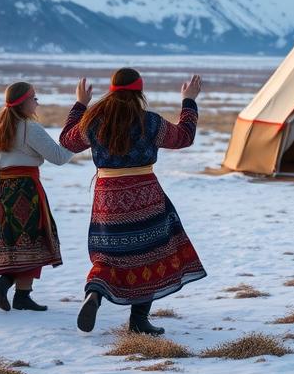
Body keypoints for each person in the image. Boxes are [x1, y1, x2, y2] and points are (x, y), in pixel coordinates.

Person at [59, 68, 207, 334]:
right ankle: (139, 321)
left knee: (108, 252)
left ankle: (94, 291)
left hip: (107, 196)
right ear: (139, 92)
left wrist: (80, 105)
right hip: (145, 193)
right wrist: (189, 101)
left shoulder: (94, 120)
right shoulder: (149, 122)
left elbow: (67, 142)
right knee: (149, 253)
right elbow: (184, 137)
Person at [0, 82, 74, 312]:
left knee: (14, 243)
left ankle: (21, 296)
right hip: (27, 191)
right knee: (33, 241)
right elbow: (58, 157)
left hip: (4, 190)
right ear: (24, 101)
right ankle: (6, 285)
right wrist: (74, 144)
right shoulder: (31, 128)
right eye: (34, 98)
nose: (37, 102)